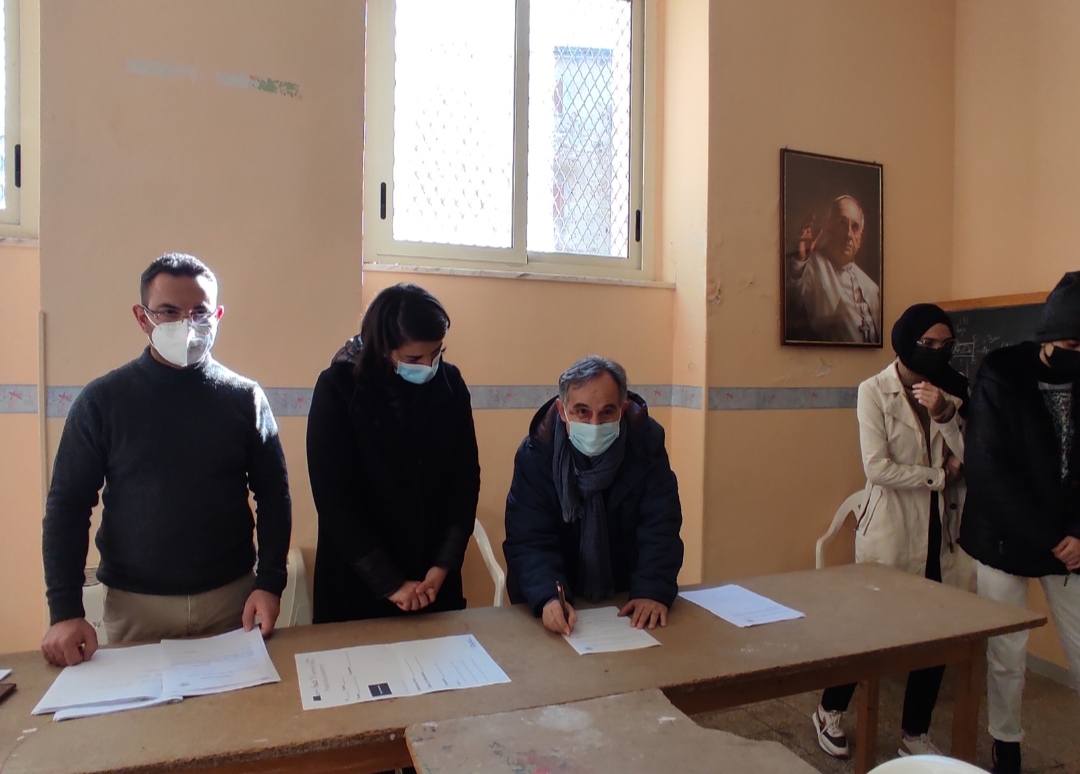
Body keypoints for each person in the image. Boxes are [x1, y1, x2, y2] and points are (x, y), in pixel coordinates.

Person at [41, 253, 292, 667]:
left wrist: (270, 583)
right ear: (143, 318)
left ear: (218, 316)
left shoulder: (245, 399)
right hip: (137, 607)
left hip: (232, 601)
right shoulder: (103, 401)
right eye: (169, 312)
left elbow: (274, 495)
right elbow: (67, 505)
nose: (187, 324)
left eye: (199, 313)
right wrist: (65, 610)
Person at [812, 304, 973, 760]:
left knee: (937, 633)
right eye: (928, 344)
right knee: (868, 630)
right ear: (905, 343)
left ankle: (914, 733)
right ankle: (829, 709)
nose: (938, 353)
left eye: (946, 345)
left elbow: (970, 453)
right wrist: (938, 476)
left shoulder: (954, 390)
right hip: (891, 527)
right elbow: (877, 468)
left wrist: (944, 414)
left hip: (941, 529)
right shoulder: (874, 390)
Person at [959, 272, 1080, 774]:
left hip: (1070, 542)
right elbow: (989, 472)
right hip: (1005, 537)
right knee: (1007, 652)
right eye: (1073, 346)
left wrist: (1077, 534)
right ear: (1049, 336)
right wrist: (1053, 538)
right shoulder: (1001, 376)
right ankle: (1005, 742)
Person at [306, 283, 480, 624]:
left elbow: (465, 480)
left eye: (436, 353)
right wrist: (390, 584)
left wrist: (443, 564)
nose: (428, 366)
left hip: (432, 583)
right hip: (358, 582)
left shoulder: (450, 383)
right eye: (414, 359)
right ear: (383, 347)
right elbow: (334, 497)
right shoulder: (339, 387)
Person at [503, 356, 684, 636]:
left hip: (627, 600)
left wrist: (652, 589)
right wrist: (548, 596)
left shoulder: (646, 447)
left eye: (607, 412)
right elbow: (528, 539)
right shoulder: (536, 456)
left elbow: (661, 525)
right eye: (582, 412)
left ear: (623, 409)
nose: (595, 423)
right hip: (560, 600)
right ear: (562, 411)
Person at [786, 195, 882, 344]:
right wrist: (800, 261)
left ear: (860, 240)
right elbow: (792, 304)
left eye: (855, 227)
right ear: (829, 229)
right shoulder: (810, 266)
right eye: (842, 223)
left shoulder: (872, 288)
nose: (848, 234)